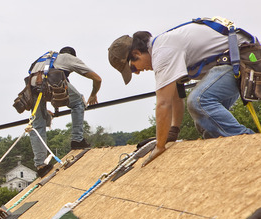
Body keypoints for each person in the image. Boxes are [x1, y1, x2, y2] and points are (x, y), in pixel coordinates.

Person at [107, 17, 258, 166]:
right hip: (235, 62)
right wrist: (173, 131)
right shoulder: (164, 49)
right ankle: (231, 160)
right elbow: (176, 99)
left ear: (137, 53)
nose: (138, 72)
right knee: (207, 123)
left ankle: (253, 147)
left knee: (199, 102)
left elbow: (163, 104)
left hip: (245, 59)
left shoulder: (162, 52)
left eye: (133, 68)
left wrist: (159, 146)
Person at [27, 47, 103, 177]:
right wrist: (93, 94)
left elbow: (38, 82)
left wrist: (44, 111)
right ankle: (77, 140)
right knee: (78, 102)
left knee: (37, 125)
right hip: (51, 82)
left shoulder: (42, 59)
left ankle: (41, 165)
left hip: (32, 87)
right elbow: (97, 79)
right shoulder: (68, 58)